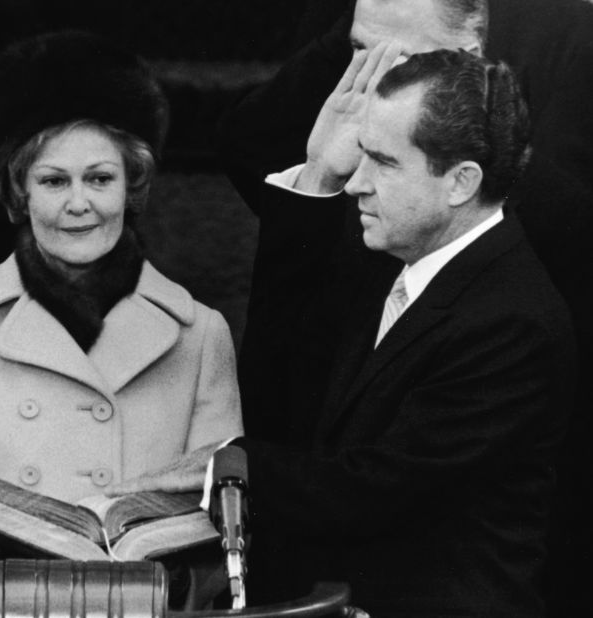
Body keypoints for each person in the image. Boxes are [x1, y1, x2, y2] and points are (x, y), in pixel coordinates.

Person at [123, 49, 574, 615]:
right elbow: (283, 368)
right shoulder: (395, 257)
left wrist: (227, 464)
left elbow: (379, 489)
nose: (357, 183)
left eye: (383, 162)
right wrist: (316, 172)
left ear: (460, 182)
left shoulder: (514, 320)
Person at [0, 31, 242, 605]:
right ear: (19, 193)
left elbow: (226, 534)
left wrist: (166, 579)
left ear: (132, 187)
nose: (78, 203)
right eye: (54, 181)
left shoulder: (200, 334)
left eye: (100, 179)